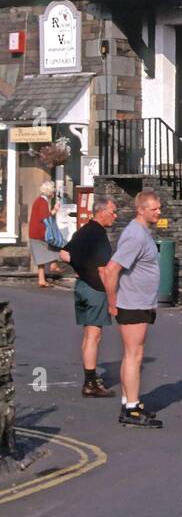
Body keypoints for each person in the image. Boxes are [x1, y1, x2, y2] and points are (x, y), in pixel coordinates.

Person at [101, 190, 164, 429]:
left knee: (133, 354)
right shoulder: (135, 235)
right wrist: (112, 301)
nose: (159, 212)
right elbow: (111, 269)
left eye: (159, 208)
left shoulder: (141, 233)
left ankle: (130, 402)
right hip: (132, 302)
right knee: (133, 355)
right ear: (141, 209)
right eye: (154, 209)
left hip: (140, 301)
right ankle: (131, 408)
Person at [63, 195, 119, 397]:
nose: (115, 215)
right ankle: (90, 383)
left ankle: (90, 377)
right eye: (112, 211)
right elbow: (104, 270)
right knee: (94, 335)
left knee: (89, 335)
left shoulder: (84, 231)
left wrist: (81, 269)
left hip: (82, 287)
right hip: (95, 289)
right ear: (101, 211)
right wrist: (112, 300)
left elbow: (65, 254)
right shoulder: (98, 235)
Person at [28, 179, 64, 289]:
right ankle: (53, 265)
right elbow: (46, 218)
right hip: (40, 233)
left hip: (34, 232)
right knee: (56, 245)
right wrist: (54, 210)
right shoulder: (42, 202)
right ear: (49, 192)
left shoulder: (39, 200)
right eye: (53, 191)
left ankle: (41, 280)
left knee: (41, 258)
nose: (53, 193)